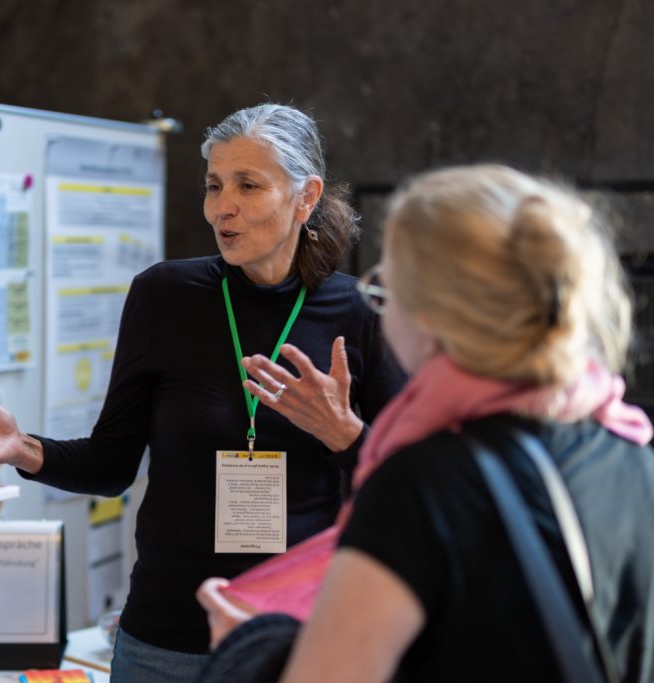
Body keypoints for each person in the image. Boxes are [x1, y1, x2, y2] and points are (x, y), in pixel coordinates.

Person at [0, 103, 406, 681]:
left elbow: (409, 490)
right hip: (164, 639)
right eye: (213, 185)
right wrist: (20, 447)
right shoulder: (165, 295)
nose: (220, 207)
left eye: (247, 185)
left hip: (296, 638)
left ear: (305, 197)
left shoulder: (359, 312)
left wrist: (345, 435)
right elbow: (111, 464)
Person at [197, 164, 654, 682]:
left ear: (431, 315)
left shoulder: (422, 485)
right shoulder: (629, 448)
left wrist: (246, 643)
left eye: (387, 285)